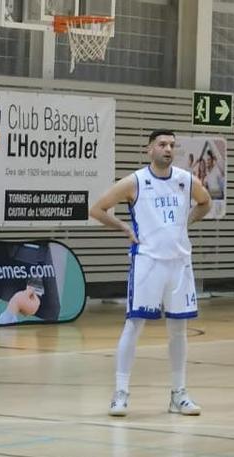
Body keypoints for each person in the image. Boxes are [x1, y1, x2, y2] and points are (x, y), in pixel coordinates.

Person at [89, 130, 212, 417]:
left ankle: (178, 395)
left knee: (178, 329)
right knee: (134, 325)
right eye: (162, 144)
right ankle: (120, 393)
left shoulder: (185, 179)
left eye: (171, 145)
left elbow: (205, 202)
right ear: (149, 150)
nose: (168, 149)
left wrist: (186, 222)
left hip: (179, 263)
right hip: (148, 263)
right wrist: (124, 228)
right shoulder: (135, 182)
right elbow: (98, 209)